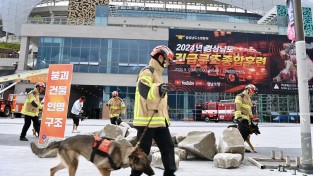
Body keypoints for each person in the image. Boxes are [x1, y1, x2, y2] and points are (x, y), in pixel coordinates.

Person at [131, 45, 176, 176]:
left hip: (159, 122)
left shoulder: (159, 75)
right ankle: (134, 175)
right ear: (161, 57)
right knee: (142, 153)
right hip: (146, 121)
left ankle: (170, 173)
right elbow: (144, 91)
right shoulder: (147, 71)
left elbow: (159, 100)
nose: (167, 64)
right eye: (167, 60)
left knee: (168, 147)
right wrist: (159, 88)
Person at [234, 84, 258, 152]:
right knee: (241, 133)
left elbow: (249, 108)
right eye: (252, 92)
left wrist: (251, 116)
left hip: (246, 119)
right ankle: (239, 148)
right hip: (241, 118)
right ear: (248, 90)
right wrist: (238, 117)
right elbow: (237, 107)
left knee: (244, 134)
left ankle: (241, 147)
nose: (252, 93)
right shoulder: (240, 96)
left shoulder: (248, 98)